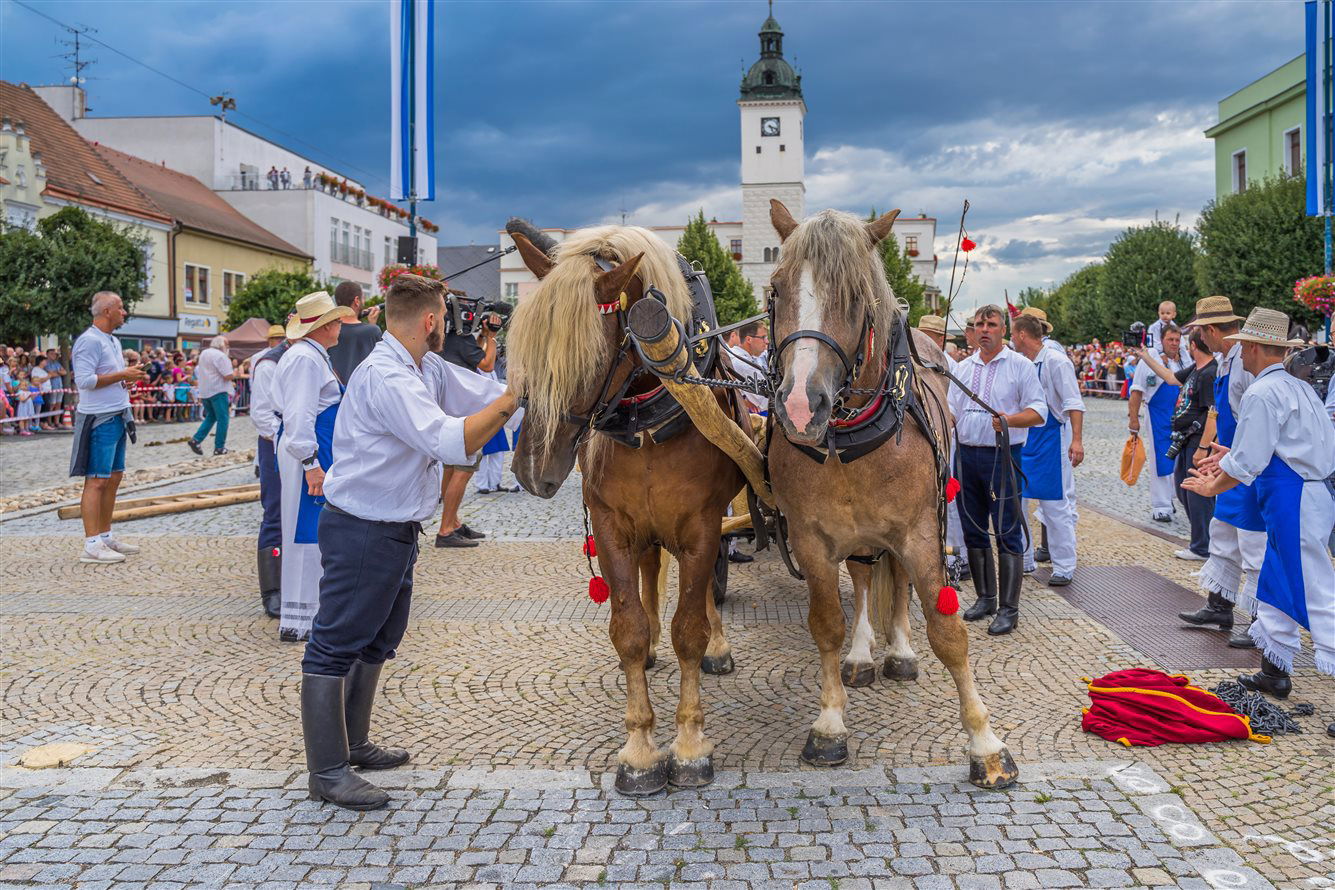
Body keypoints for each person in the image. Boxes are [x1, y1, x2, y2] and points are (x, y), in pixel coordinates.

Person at [300, 273, 516, 810]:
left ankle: (355, 745)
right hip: (362, 529)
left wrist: (530, 388)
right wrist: (514, 400)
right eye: (446, 317)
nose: (450, 324)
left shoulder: (425, 365)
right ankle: (326, 771)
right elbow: (453, 439)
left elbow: (482, 393)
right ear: (430, 321)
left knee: (377, 639)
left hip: (393, 528)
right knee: (334, 644)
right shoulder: (387, 377)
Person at [1182, 308, 1334, 721]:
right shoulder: (1295, 386)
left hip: (1295, 497)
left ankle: (1283, 668)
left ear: (1251, 347)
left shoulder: (1264, 392)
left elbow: (1250, 461)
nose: (1240, 354)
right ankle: (1274, 669)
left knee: (1316, 589)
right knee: (1277, 578)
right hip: (1302, 492)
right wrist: (1232, 458)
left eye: (1241, 346)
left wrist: (1214, 483)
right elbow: (1278, 449)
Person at [950, 305, 1047, 636]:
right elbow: (950, 411)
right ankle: (985, 598)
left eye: (991, 324)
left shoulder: (1020, 366)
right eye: (979, 324)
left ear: (1003, 329)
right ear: (973, 330)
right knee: (973, 528)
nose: (984, 330)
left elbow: (1038, 412)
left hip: (1003, 457)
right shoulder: (962, 369)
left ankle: (1009, 608)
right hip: (965, 456)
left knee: (1007, 530)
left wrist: (1008, 420)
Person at [1176, 296, 1263, 648]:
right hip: (1230, 458)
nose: (1198, 338)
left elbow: (1253, 420)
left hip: (1245, 464)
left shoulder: (1243, 361)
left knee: (1254, 544)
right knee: (1223, 533)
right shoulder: (1228, 360)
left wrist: (1233, 459)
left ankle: (1262, 622)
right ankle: (1219, 604)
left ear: (1211, 330)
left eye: (1199, 330)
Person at [274, 291, 354, 642]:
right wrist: (311, 464)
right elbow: (299, 416)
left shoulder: (311, 356)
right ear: (321, 326)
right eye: (334, 320)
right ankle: (301, 615)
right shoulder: (305, 360)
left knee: (312, 530)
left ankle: (309, 610)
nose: (339, 324)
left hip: (315, 450)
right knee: (305, 530)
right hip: (308, 453)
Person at [69, 292, 146, 565]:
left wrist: (126, 379)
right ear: (107, 311)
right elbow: (85, 381)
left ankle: (104, 535)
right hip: (98, 418)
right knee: (97, 480)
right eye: (120, 308)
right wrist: (123, 375)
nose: (124, 312)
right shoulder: (88, 341)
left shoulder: (112, 340)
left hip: (116, 414)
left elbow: (107, 378)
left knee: (113, 478)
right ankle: (91, 543)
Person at [1012, 313, 1085, 587]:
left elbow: (1073, 403)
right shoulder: (1020, 362)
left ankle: (1065, 565)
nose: (1011, 338)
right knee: (1018, 503)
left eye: (1012, 333)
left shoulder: (1055, 361)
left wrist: (1076, 440)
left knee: (1055, 505)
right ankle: (1025, 558)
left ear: (1021, 335)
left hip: (1051, 439)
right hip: (1024, 438)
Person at [1137, 329, 1218, 560]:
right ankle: (1201, 541)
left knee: (1198, 494)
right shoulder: (1196, 369)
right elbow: (1171, 377)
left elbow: (1213, 413)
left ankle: (1203, 546)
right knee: (1184, 489)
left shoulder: (1209, 372)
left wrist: (1204, 447)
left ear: (1192, 345)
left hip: (1197, 439)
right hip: (1185, 438)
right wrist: (1145, 357)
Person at [434, 299, 499, 548]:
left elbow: (472, 357)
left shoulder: (444, 340)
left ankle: (453, 521)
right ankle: (446, 528)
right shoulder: (462, 340)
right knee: (463, 470)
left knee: (450, 469)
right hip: (464, 415)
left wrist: (481, 338)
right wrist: (491, 337)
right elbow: (487, 364)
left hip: (446, 413)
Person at [249, 322, 291, 619]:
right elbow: (262, 415)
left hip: (305, 443)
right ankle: (272, 591)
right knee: (275, 513)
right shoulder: (269, 363)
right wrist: (288, 440)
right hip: (276, 444)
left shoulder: (315, 356)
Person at [1128, 323, 1184, 522]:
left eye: (1177, 340)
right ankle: (1160, 505)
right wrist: (1133, 419)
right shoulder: (1149, 360)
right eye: (1170, 339)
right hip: (1158, 414)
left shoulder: (1181, 361)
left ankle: (1170, 498)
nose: (1174, 344)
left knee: (1177, 459)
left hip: (1179, 416)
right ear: (1162, 340)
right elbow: (1136, 390)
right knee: (1160, 458)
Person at [187, 336, 235, 456]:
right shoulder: (221, 356)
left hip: (205, 390)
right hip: (218, 390)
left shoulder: (204, 353)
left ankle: (196, 439)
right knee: (223, 419)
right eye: (227, 344)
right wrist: (236, 374)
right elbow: (227, 375)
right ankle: (219, 447)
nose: (228, 347)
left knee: (211, 416)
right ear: (222, 345)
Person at [326, 281, 382, 384]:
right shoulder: (372, 331)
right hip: (361, 394)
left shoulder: (328, 330)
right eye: (363, 298)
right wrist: (372, 325)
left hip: (334, 392)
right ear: (357, 301)